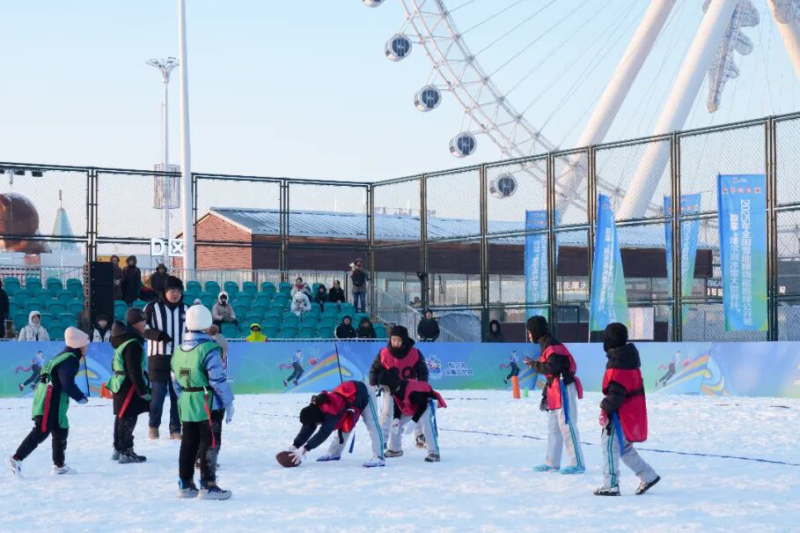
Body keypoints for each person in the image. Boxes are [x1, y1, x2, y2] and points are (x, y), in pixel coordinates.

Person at [172, 305, 234, 500]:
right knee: (210, 442)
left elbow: (175, 381)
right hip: (208, 403)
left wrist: (184, 397)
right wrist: (228, 402)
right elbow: (217, 380)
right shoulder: (209, 349)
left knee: (188, 443)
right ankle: (208, 484)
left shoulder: (178, 350)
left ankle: (185, 483)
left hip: (187, 401)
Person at [8, 327, 90, 477]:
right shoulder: (71, 359)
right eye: (86, 344)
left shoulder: (64, 356)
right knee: (42, 430)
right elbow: (67, 383)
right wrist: (80, 397)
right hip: (50, 400)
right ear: (78, 344)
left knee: (61, 428)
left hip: (54, 399)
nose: (87, 347)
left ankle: (59, 466)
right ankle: (16, 459)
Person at [595, 323, 660, 496]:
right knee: (625, 448)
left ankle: (611, 484)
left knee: (609, 447)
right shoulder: (628, 358)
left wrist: (605, 407)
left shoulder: (617, 363)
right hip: (629, 413)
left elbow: (617, 393)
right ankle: (648, 476)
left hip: (619, 416)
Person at [523, 316, 586, 475]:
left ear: (535, 331)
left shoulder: (552, 345)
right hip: (554, 389)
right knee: (553, 428)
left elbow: (552, 368)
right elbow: (551, 374)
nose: (529, 335)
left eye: (529, 332)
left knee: (567, 425)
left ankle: (577, 463)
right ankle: (552, 463)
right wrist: (545, 395)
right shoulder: (546, 344)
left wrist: (533, 364)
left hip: (563, 387)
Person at [287, 380, 385, 468]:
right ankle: (334, 453)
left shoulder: (331, 412)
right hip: (350, 399)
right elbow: (308, 427)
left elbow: (324, 432)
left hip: (364, 393)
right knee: (344, 426)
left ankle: (379, 457)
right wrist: (295, 445)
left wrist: (305, 448)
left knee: (372, 424)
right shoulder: (314, 409)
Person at [368, 325, 429, 449]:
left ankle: (420, 435)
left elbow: (423, 371)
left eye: (399, 340)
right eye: (393, 340)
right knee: (387, 413)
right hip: (390, 390)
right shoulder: (383, 353)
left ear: (404, 340)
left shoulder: (415, 353)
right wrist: (373, 382)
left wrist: (421, 386)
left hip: (409, 389)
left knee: (415, 410)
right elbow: (375, 369)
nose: (395, 343)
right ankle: (382, 439)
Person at [143, 275, 186, 440]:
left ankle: (175, 429)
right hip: (158, 358)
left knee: (178, 396)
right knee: (158, 395)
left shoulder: (187, 309)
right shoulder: (152, 307)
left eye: (178, 291)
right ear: (165, 291)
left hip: (181, 359)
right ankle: (153, 426)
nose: (175, 294)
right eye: (172, 290)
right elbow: (142, 328)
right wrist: (158, 335)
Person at [108, 309, 151, 464]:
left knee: (121, 415)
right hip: (129, 385)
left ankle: (118, 448)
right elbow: (134, 370)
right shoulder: (133, 343)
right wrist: (142, 391)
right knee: (128, 417)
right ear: (135, 323)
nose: (145, 324)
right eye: (143, 321)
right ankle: (126, 451)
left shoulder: (124, 340)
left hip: (120, 383)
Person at [377, 371, 445, 462]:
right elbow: (397, 404)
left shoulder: (413, 390)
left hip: (427, 403)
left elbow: (422, 405)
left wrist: (414, 421)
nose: (384, 389)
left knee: (426, 423)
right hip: (413, 405)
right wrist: (396, 418)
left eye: (385, 387)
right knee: (396, 425)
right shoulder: (394, 390)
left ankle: (434, 453)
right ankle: (395, 449)